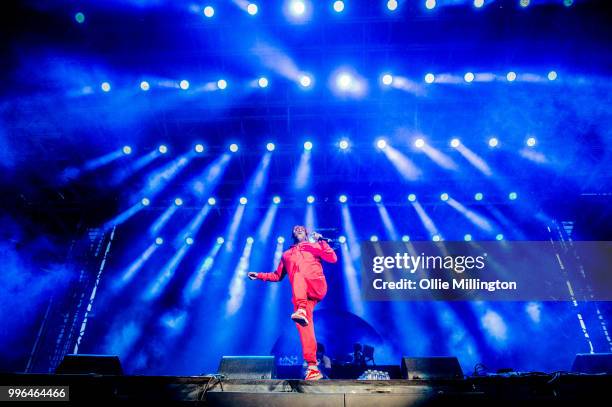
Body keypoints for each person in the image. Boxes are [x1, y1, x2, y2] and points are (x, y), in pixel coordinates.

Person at [248, 225, 337, 380]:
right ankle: (312, 367)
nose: (298, 229)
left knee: (298, 275)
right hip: (301, 294)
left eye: (301, 228)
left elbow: (332, 258)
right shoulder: (286, 254)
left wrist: (321, 242)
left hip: (316, 285)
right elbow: (277, 275)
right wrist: (259, 275)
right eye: (295, 229)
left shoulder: (313, 246)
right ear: (292, 234)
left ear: (307, 233)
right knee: (304, 327)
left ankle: (301, 308)